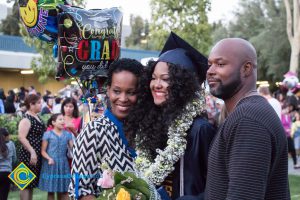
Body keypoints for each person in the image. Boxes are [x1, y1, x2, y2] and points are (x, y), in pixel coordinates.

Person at [125, 32, 216, 199]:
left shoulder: (200, 130)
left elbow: (217, 186)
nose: (157, 85)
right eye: (153, 78)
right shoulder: (152, 126)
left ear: (183, 85)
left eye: (165, 79)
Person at [205, 38, 290, 199]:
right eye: (210, 64)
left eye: (220, 64)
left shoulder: (248, 120)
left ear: (246, 69)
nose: (210, 70)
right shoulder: (246, 113)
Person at [69, 58, 144, 199]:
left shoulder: (147, 129)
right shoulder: (94, 131)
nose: (123, 98)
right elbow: (81, 191)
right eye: (117, 91)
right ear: (108, 90)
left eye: (131, 92)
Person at [39, 113, 73, 200]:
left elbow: (73, 148)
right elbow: (43, 151)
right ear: (53, 122)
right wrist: (49, 158)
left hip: (63, 164)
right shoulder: (47, 134)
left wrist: (74, 132)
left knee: (65, 191)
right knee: (51, 191)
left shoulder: (68, 134)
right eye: (60, 119)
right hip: (50, 164)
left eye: (63, 119)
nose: (63, 121)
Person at [18, 94, 46, 200]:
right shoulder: (26, 118)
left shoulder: (36, 117)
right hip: (27, 155)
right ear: (31, 104)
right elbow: (21, 137)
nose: (41, 105)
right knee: (25, 185)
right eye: (39, 103)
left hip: (35, 155)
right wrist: (32, 152)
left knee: (30, 185)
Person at [0, 128, 16, 200]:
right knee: (4, 196)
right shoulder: (11, 144)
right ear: (6, 136)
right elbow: (14, 159)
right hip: (7, 173)